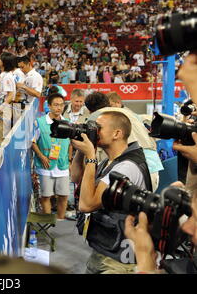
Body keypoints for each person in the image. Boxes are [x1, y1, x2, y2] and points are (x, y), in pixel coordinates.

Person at [70, 111, 152, 274]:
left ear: (117, 133)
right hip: (105, 246)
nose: (94, 131)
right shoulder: (111, 161)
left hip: (120, 259)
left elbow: (87, 204)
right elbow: (75, 177)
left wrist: (91, 157)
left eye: (98, 128)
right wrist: (82, 150)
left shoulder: (127, 166)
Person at [32, 93, 71, 220]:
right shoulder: (40, 122)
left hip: (62, 165)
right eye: (55, 105)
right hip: (45, 165)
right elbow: (32, 142)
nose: (59, 108)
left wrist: (70, 160)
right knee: (46, 196)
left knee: (63, 195)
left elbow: (71, 144)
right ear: (49, 106)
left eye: (61, 105)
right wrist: (41, 156)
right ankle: (48, 223)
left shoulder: (68, 123)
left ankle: (60, 221)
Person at [0, 52, 17, 146]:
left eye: (0, 59)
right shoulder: (3, 75)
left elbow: (10, 96)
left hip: (4, 110)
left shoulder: (7, 77)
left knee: (0, 136)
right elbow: (2, 93)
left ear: (4, 63)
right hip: (0, 106)